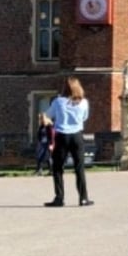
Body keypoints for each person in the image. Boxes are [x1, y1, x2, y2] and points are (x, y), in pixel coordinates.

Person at [44, 77, 93, 206]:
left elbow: (47, 116)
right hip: (77, 136)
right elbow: (84, 117)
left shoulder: (58, 101)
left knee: (58, 168)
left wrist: (48, 121)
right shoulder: (84, 102)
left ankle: (59, 198)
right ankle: (83, 198)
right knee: (79, 168)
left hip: (62, 135)